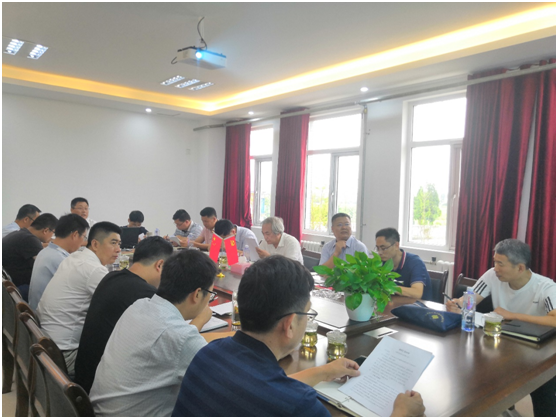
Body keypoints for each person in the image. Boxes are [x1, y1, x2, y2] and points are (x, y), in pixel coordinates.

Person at [172, 255, 425, 417]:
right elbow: (277, 392)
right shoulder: (298, 405)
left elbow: (266, 386)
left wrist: (324, 371)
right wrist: (402, 415)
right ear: (290, 324)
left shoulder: (208, 355)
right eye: (307, 313)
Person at [89, 250, 234, 417]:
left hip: (98, 410)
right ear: (196, 294)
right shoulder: (181, 338)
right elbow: (224, 384)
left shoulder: (138, 305)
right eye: (210, 295)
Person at [446, 239, 555, 417]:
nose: (495, 268)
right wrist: (457, 303)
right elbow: (471, 299)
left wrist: (513, 315)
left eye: (500, 264)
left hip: (537, 352)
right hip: (501, 346)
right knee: (471, 374)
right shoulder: (492, 275)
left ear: (520, 268)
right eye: (495, 262)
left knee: (545, 397)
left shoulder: (546, 287)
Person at [75, 236, 174, 393]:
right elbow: (173, 341)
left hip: (84, 375)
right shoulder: (144, 294)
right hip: (102, 388)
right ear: (160, 265)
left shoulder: (112, 276)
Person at [37, 222, 121, 378]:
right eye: (113, 243)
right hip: (64, 354)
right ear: (95, 244)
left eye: (119, 244)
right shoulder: (94, 269)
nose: (118, 249)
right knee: (121, 356)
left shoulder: (75, 257)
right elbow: (119, 305)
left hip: (46, 342)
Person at [28, 214, 89, 310]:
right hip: (48, 313)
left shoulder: (46, 251)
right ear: (75, 235)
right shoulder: (61, 260)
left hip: (37, 310)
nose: (82, 243)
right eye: (84, 237)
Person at [2, 213, 58, 300]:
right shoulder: (30, 240)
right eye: (53, 233)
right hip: (17, 288)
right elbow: (44, 267)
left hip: (8, 285)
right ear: (46, 230)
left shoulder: (20, 234)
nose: (52, 237)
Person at [375, 228, 431, 300]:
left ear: (396, 245)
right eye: (377, 248)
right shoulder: (381, 262)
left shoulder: (415, 262)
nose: (380, 252)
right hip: (393, 303)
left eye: (384, 248)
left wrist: (391, 287)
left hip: (418, 305)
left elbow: (417, 293)